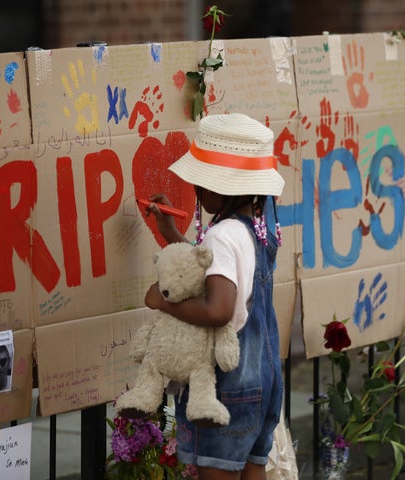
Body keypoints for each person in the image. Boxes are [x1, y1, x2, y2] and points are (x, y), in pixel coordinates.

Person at [140, 113, 285, 480]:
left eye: (202, 183)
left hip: (229, 389)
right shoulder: (257, 230)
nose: (196, 191)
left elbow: (219, 308)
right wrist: (174, 235)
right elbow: (220, 273)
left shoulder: (221, 236)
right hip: (264, 382)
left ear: (227, 186)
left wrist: (163, 300)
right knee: (254, 470)